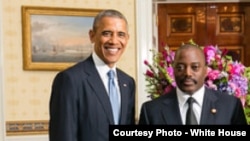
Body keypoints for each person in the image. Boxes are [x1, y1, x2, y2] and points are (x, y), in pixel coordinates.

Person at [49, 9, 136, 141]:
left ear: (127, 39)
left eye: (121, 34)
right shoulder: (70, 80)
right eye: (107, 33)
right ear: (92, 36)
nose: (114, 41)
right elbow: (63, 135)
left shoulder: (128, 83)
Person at [138, 43, 247, 125]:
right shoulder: (151, 111)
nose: (187, 73)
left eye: (194, 67)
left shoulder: (230, 106)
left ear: (205, 71)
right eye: (180, 67)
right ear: (173, 70)